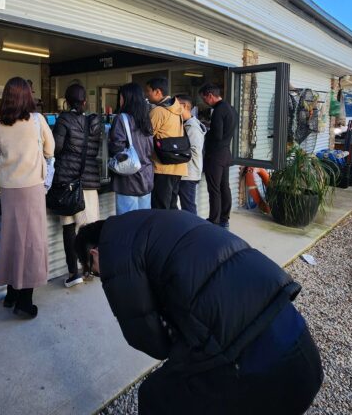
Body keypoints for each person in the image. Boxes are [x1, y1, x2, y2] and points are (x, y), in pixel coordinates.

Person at [75, 211, 324, 415]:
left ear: (94, 253)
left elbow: (146, 335)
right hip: (295, 338)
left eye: (93, 271)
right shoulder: (148, 220)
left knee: (155, 396)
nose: (98, 275)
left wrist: (178, 342)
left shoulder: (114, 251)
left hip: (248, 351)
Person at [0, 77, 54, 319]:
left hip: (8, 187)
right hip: (31, 187)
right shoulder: (37, 121)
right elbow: (50, 150)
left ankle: (10, 294)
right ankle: (24, 302)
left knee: (11, 238)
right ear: (27, 95)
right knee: (31, 242)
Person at [52, 84, 102, 288]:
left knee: (69, 227)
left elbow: (56, 147)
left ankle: (74, 274)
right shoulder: (95, 122)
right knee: (89, 228)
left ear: (67, 100)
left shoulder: (64, 119)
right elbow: (95, 150)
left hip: (69, 180)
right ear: (85, 102)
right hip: (89, 180)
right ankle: (90, 268)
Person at [109, 83, 154, 215]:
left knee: (127, 222)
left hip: (128, 179)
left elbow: (117, 148)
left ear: (126, 98)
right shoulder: (146, 119)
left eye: (121, 97)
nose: (120, 100)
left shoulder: (121, 118)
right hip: (146, 176)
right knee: (143, 221)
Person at [144, 77, 188, 209]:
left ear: (157, 92)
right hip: (178, 165)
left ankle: (162, 230)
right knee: (172, 205)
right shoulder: (178, 109)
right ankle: (173, 229)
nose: (146, 94)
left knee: (160, 207)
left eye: (148, 91)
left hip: (162, 167)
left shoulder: (158, 111)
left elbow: (146, 136)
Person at [199, 83, 236, 229]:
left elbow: (217, 135)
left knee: (214, 189)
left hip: (215, 155)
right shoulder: (230, 108)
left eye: (204, 99)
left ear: (210, 95)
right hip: (226, 152)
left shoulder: (218, 110)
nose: (204, 102)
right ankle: (224, 219)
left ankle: (214, 221)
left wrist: (206, 131)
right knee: (224, 187)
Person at [175, 93, 206, 215]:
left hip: (189, 174)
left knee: (188, 206)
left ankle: (194, 231)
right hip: (186, 172)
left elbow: (194, 150)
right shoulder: (187, 123)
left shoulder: (192, 126)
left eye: (175, 104)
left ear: (183, 106)